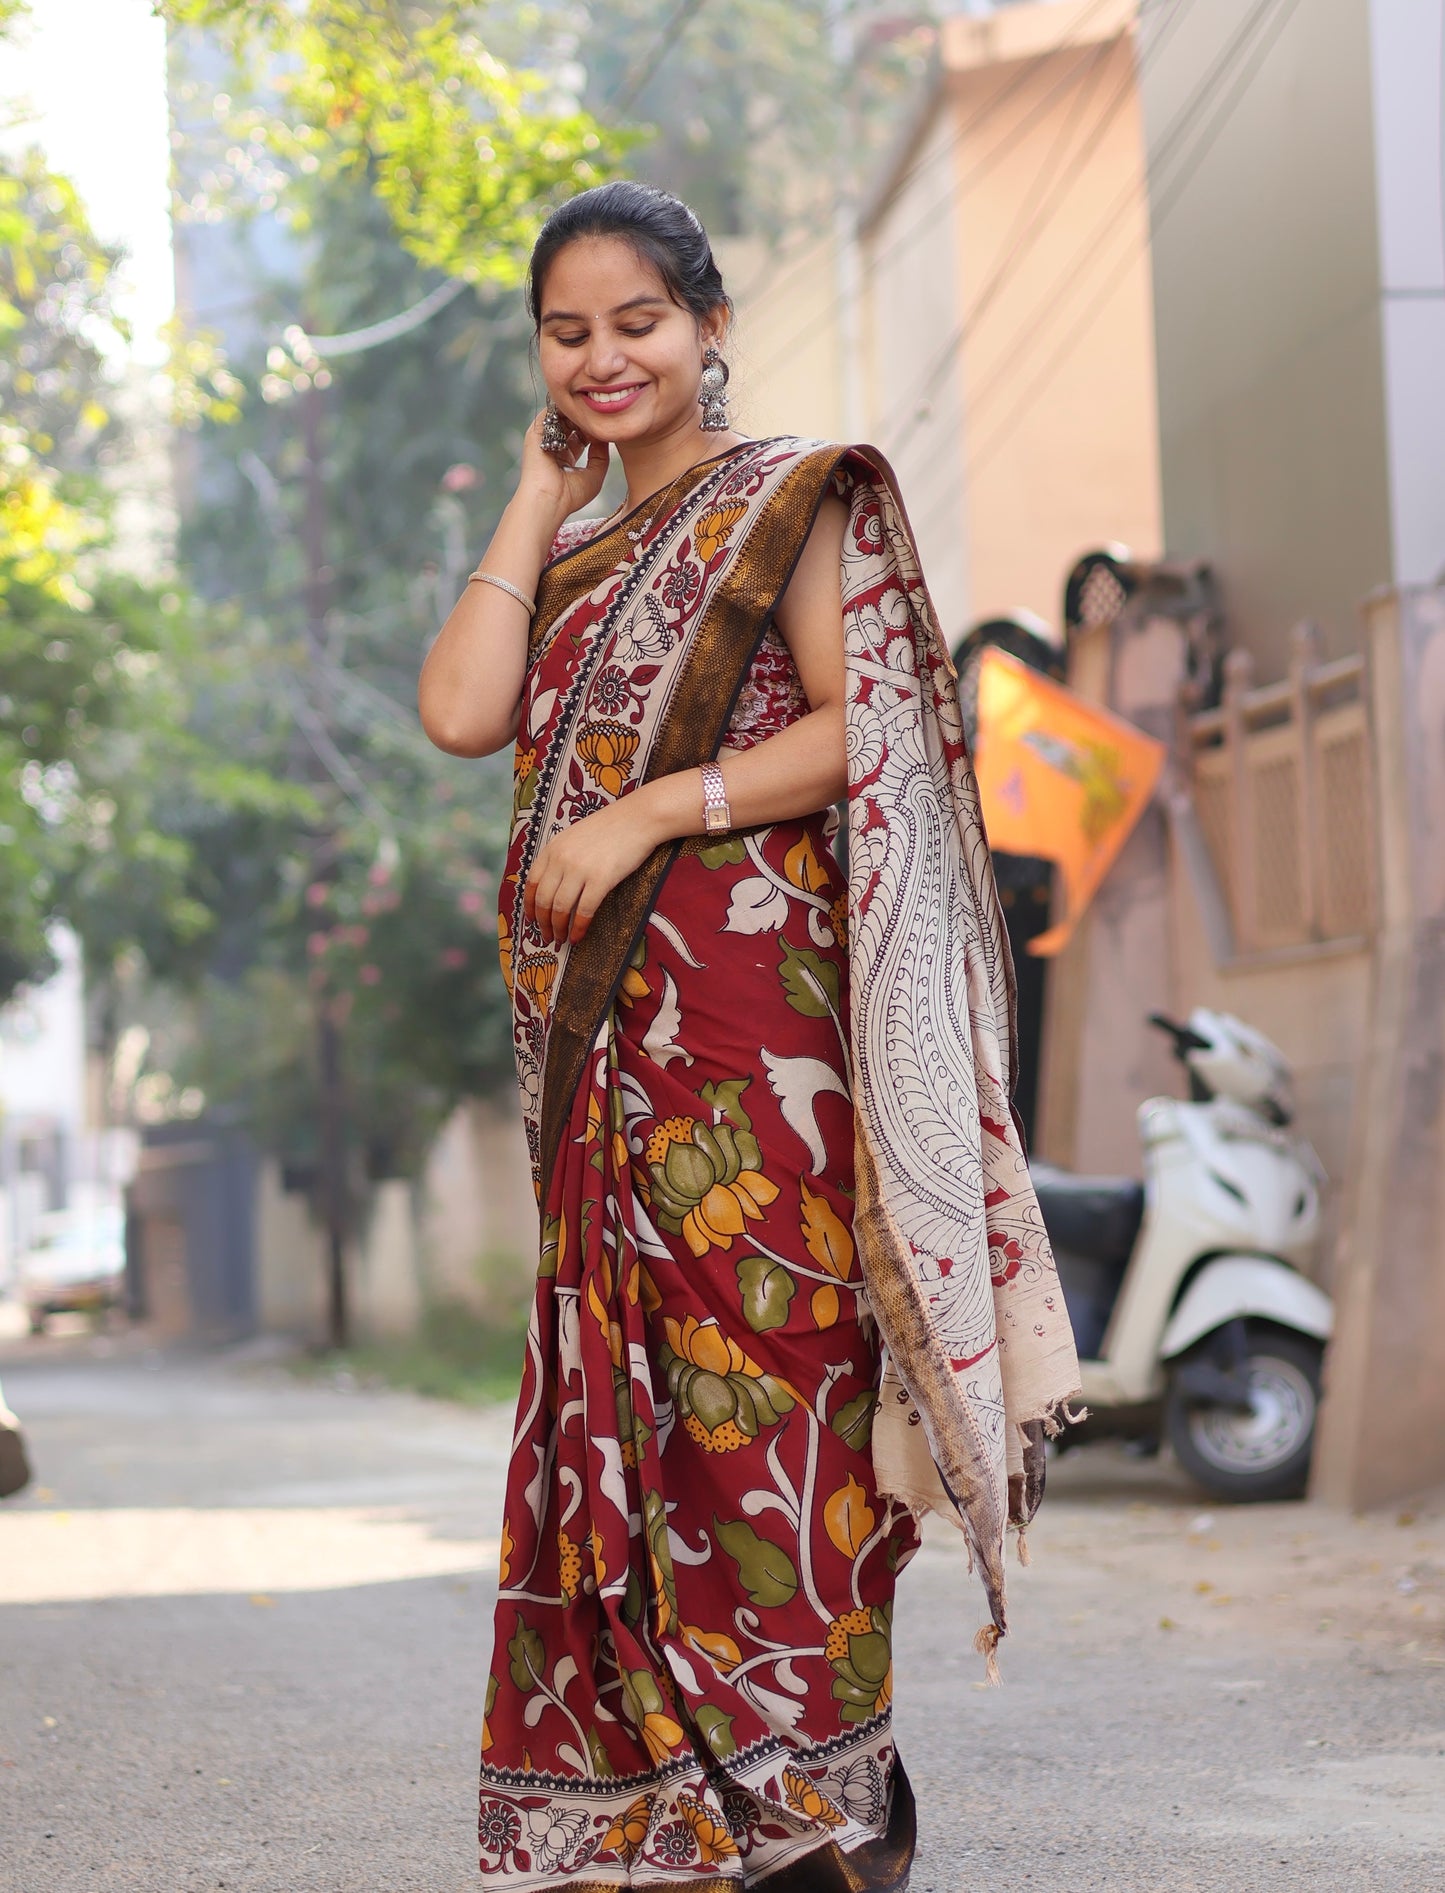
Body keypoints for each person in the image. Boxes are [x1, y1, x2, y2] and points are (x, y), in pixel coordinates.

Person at [420, 181, 1080, 1892]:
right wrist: (528, 494)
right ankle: (679, 1809)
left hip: (751, 1046)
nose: (603, 358)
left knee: (771, 1389)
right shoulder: (572, 555)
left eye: (637, 321)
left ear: (710, 325)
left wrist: (647, 817)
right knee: (621, 1416)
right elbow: (459, 711)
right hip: (600, 1073)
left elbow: (868, 728)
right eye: (567, 334)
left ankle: (826, 1791)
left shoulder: (791, 504)